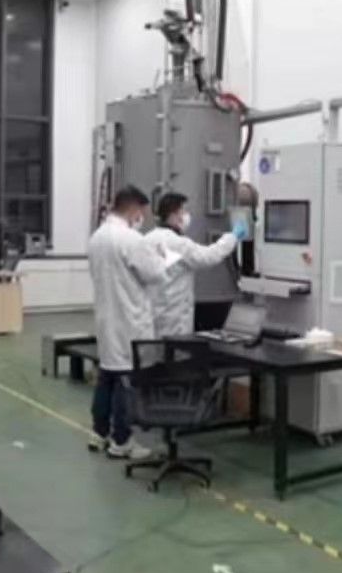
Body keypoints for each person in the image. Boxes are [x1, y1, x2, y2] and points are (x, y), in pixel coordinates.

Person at [87, 185, 172, 459]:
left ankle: (99, 432)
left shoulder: (98, 237)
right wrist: (161, 257)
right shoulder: (130, 239)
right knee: (125, 380)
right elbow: (155, 273)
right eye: (141, 211)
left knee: (107, 375)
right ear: (134, 208)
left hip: (107, 317)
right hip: (128, 320)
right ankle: (121, 441)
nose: (142, 217)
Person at [144, 192, 246, 337]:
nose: (187, 216)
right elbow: (209, 256)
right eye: (184, 211)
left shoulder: (148, 239)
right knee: (174, 349)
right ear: (174, 214)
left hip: (154, 314)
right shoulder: (177, 243)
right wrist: (233, 237)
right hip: (173, 319)